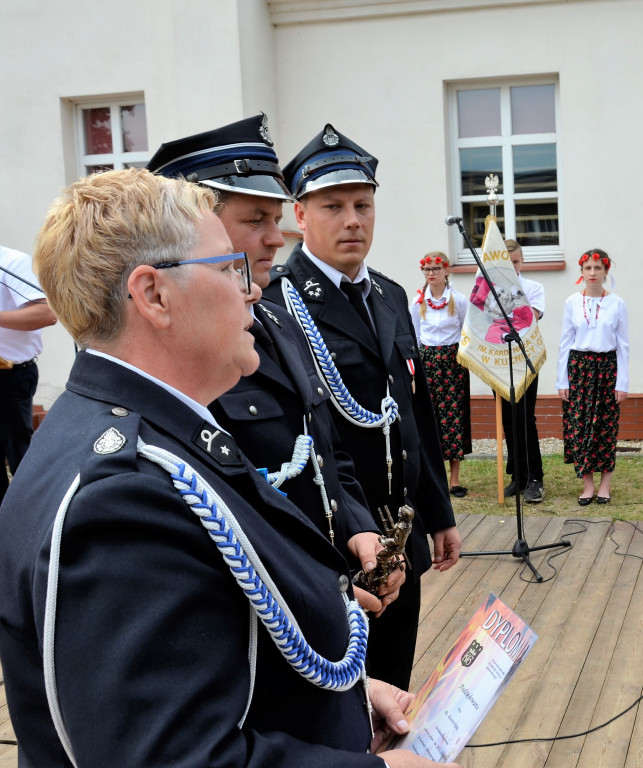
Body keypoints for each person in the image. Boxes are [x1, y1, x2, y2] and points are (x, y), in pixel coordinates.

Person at [0, 168, 458, 768]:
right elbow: (171, 757)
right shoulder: (120, 499)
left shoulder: (150, 429)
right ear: (154, 295)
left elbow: (220, 658)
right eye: (227, 269)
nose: (252, 291)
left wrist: (343, 701)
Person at [146, 114, 402, 618]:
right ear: (201, 229)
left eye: (275, 218)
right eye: (255, 221)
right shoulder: (183, 352)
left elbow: (326, 451)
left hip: (332, 585)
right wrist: (319, 594)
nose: (275, 238)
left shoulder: (279, 321)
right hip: (272, 606)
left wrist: (359, 529)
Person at [264, 125, 460, 691]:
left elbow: (411, 413)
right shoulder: (277, 307)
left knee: (394, 680)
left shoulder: (392, 295)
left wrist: (438, 511)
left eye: (362, 205)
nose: (353, 219)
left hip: (401, 532)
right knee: (338, 695)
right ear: (300, 215)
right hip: (333, 543)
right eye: (333, 206)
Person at [557, 249, 628, 504]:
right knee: (579, 426)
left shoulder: (617, 303)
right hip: (579, 369)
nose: (593, 273)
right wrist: (561, 380)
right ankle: (587, 484)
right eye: (588, 268)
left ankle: (605, 486)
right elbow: (565, 342)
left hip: (607, 369)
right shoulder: (571, 303)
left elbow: (623, 345)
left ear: (606, 271)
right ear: (582, 272)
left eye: (598, 268)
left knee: (605, 427)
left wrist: (622, 382)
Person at [409, 251, 472, 497]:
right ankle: (434, 478)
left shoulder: (459, 300)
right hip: (428, 363)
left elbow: (467, 333)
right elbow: (414, 336)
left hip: (452, 363)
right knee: (430, 418)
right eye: (427, 269)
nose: (431, 273)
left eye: (436, 268)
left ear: (447, 271)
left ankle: (454, 480)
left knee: (453, 417)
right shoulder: (418, 302)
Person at [0, 244, 55, 503]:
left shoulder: (10, 263)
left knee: (19, 452)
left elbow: (46, 313)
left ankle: (28, 515)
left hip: (9, 376)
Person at [499, 239, 546, 503]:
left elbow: (530, 317)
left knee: (525, 419)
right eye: (506, 263)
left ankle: (535, 477)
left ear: (522, 261)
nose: (511, 267)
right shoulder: (491, 290)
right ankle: (518, 475)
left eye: (515, 262)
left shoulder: (533, 288)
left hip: (524, 360)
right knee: (507, 420)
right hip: (499, 360)